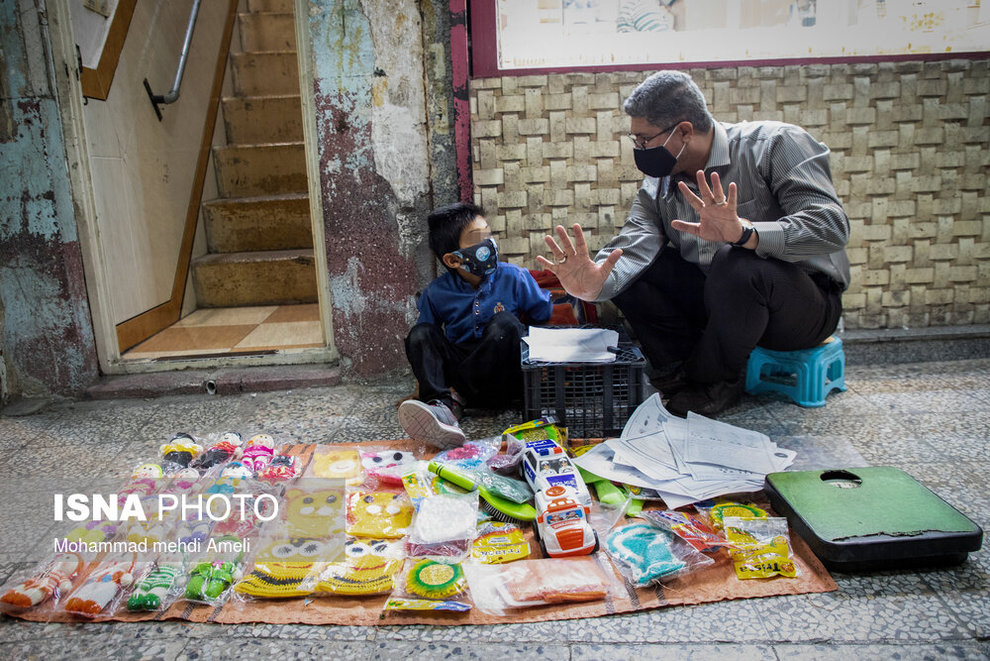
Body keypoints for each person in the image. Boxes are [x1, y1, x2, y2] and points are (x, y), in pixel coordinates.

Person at [539, 70, 849, 418]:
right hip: (721, 306)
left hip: (801, 306)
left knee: (738, 262)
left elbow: (831, 226)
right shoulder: (658, 184)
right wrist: (595, 284)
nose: (638, 150)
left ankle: (714, 382)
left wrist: (747, 233)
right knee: (626, 267)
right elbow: (636, 242)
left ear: (684, 131)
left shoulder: (775, 145)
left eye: (643, 140)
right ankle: (678, 373)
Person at [400, 202, 553, 447]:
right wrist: (423, 386)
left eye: (489, 235)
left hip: (502, 376)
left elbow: (543, 312)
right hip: (460, 365)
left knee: (506, 325)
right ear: (452, 260)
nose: (489, 244)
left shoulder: (515, 277)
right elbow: (425, 345)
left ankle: (453, 397)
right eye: (478, 239)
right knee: (419, 333)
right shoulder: (436, 292)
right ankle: (441, 407)